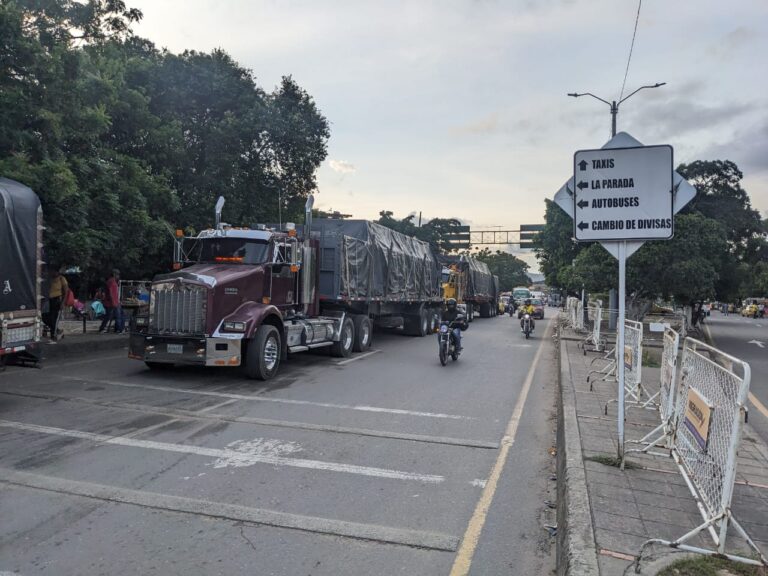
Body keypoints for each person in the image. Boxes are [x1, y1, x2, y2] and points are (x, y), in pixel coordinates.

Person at [46, 268, 69, 342]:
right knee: (45, 317)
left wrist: (63, 303)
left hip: (57, 300)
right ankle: (58, 331)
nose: (52, 272)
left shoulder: (62, 279)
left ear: (57, 272)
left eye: (54, 271)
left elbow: (66, 292)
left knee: (54, 318)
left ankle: (53, 336)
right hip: (49, 300)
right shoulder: (50, 279)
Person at [98, 269, 124, 333]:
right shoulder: (112, 282)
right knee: (119, 315)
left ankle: (102, 328)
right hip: (112, 302)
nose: (118, 276)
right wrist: (115, 303)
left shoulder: (112, 281)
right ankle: (119, 329)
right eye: (117, 274)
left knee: (108, 316)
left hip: (111, 302)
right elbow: (112, 294)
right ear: (114, 274)